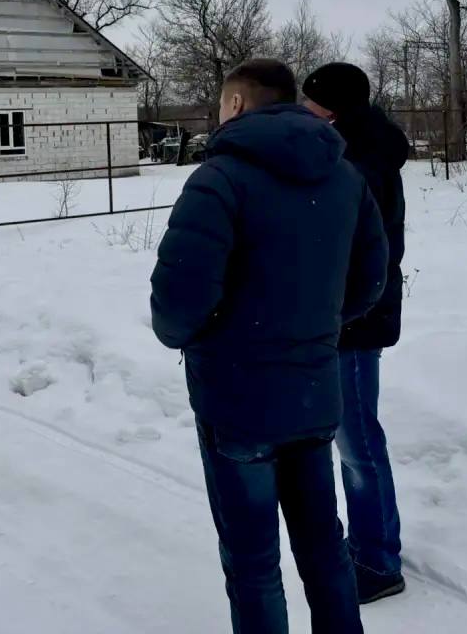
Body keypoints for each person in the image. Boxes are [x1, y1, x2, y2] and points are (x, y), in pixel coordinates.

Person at [151, 59, 389, 634]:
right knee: (325, 548)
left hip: (238, 404)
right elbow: (370, 281)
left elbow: (177, 304)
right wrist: (313, 328)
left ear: (235, 105)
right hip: (311, 396)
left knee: (254, 566)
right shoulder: (344, 176)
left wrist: (207, 338)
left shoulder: (219, 179)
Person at [301, 63, 409, 605]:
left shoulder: (358, 161)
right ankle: (371, 542)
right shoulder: (354, 149)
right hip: (349, 314)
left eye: (312, 104)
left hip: (355, 319)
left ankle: (377, 560)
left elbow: (355, 249)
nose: (305, 111)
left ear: (334, 108)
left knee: (358, 441)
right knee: (353, 439)